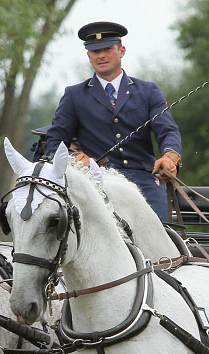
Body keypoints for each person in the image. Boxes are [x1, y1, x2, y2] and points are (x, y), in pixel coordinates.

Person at [43, 21, 183, 222]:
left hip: (143, 181)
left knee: (165, 232)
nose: (101, 55)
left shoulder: (148, 91)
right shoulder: (74, 95)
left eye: (107, 49)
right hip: (95, 182)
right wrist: (76, 159)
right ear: (89, 55)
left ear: (121, 51)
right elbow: (54, 142)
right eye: (94, 51)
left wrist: (170, 156)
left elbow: (167, 131)